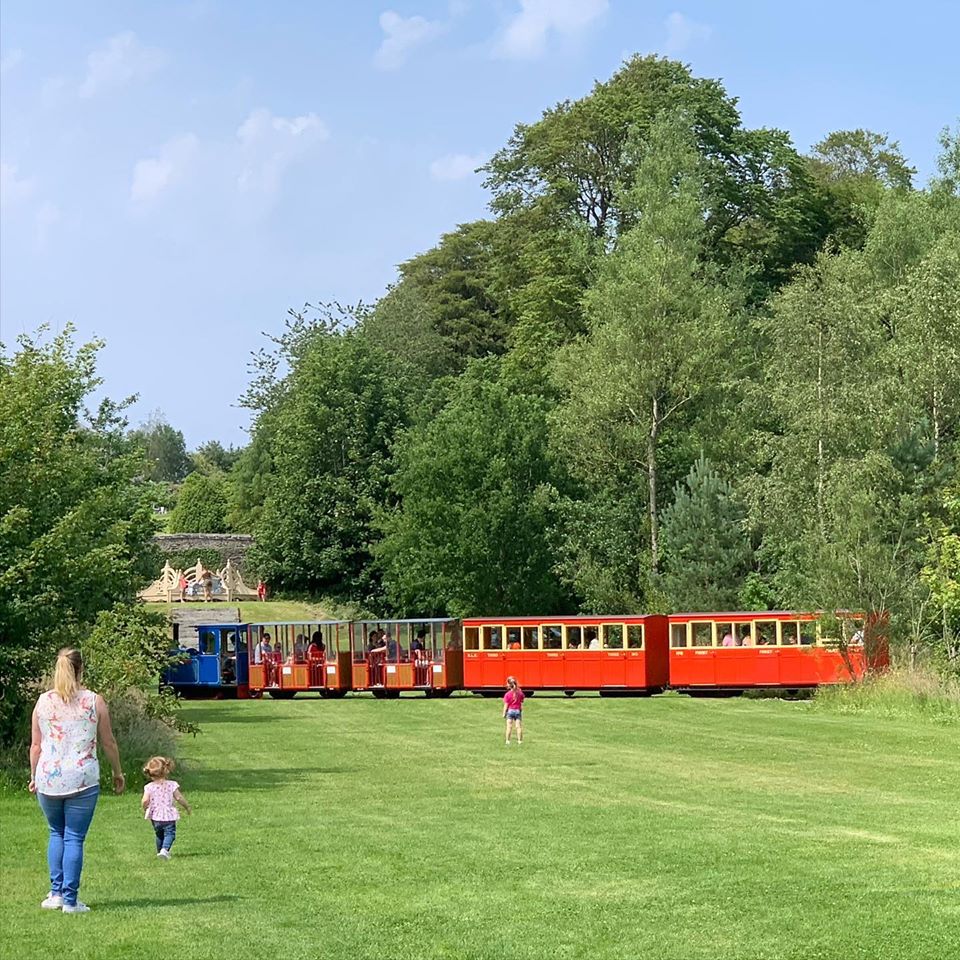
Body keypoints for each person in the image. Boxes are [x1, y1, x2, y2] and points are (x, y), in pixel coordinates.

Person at [29, 648, 125, 913]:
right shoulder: (94, 701)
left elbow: (36, 745)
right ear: (81, 669)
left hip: (48, 777)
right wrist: (118, 772)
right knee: (74, 838)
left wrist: (33, 775)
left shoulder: (43, 702)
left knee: (56, 833)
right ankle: (71, 900)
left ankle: (56, 893)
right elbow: (108, 742)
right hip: (82, 778)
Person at [141, 757, 192, 860]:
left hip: (155, 816)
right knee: (170, 834)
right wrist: (186, 806)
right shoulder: (172, 785)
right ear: (166, 770)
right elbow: (178, 797)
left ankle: (160, 851)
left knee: (159, 834)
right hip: (168, 815)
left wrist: (145, 807)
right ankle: (164, 850)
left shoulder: (149, 787)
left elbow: (145, 800)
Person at [502, 676, 525, 745]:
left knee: (509, 726)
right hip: (517, 711)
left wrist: (504, 713)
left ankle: (507, 741)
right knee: (518, 727)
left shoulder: (507, 694)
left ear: (509, 685)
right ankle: (520, 741)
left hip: (510, 711)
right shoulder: (520, 693)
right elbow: (522, 700)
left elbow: (506, 705)